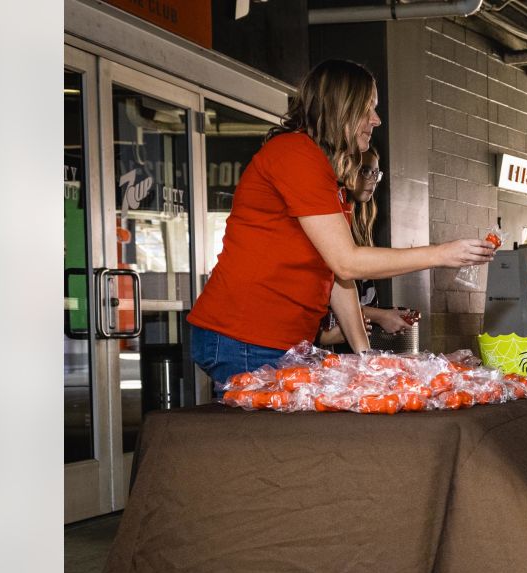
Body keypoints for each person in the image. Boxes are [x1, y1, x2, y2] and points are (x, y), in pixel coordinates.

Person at [187, 59, 494, 389]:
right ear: (339, 109)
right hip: (244, 335)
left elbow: (335, 276)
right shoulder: (295, 154)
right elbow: (347, 263)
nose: (376, 120)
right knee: (274, 440)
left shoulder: (327, 172)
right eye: (367, 109)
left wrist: (366, 357)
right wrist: (441, 254)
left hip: (276, 339)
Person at [314, 146, 418, 351]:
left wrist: (385, 315)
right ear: (345, 169)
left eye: (375, 173)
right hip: (319, 345)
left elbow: (349, 293)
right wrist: (381, 316)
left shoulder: (358, 223)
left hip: (347, 345)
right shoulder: (327, 222)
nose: (372, 180)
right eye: (365, 171)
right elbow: (329, 294)